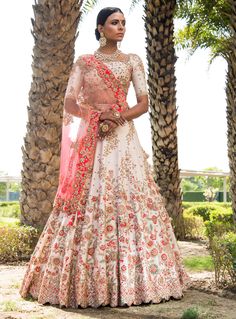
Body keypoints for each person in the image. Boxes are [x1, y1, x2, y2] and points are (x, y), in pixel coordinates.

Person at [20, 7, 190, 308]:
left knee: (132, 197)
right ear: (100, 28)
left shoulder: (133, 61)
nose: (121, 27)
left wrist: (117, 118)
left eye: (124, 23)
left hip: (123, 140)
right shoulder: (85, 63)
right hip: (93, 141)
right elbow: (69, 101)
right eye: (114, 23)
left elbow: (143, 103)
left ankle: (140, 282)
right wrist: (97, 117)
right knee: (87, 199)